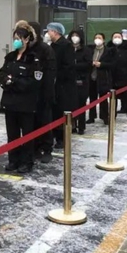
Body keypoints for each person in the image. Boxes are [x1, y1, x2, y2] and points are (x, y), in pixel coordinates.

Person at [0, 21, 42, 174]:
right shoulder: (10, 57)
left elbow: (33, 82)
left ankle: (26, 162)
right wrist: (6, 81)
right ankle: (13, 160)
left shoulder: (33, 59)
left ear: (27, 39)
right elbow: (2, 73)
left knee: (27, 134)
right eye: (15, 38)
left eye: (19, 38)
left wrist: (14, 81)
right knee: (12, 134)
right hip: (10, 102)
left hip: (25, 104)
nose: (16, 41)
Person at [28, 21, 56, 164]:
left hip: (44, 92)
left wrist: (47, 93)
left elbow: (50, 73)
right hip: (29, 93)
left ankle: (47, 148)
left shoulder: (45, 49)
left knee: (44, 121)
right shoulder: (25, 48)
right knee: (31, 123)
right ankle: (34, 148)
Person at [47, 22, 77, 151]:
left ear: (55, 32)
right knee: (54, 111)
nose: (47, 34)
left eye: (49, 31)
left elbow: (68, 66)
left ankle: (61, 138)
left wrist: (56, 75)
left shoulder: (66, 45)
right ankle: (55, 135)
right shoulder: (53, 45)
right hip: (54, 84)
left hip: (63, 85)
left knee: (61, 111)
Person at [103, 31, 127, 122]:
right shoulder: (109, 49)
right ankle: (112, 116)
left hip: (125, 77)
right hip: (113, 77)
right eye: (115, 37)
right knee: (113, 98)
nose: (117, 38)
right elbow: (105, 61)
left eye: (119, 37)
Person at [67, 29, 92, 135]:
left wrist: (74, 65)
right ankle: (72, 125)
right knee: (71, 105)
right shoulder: (68, 49)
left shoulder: (86, 50)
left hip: (82, 80)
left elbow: (88, 64)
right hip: (69, 80)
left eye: (76, 35)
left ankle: (81, 126)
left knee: (81, 104)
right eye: (73, 35)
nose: (74, 37)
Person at [87, 33, 111, 125]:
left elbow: (111, 64)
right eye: (96, 37)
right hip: (91, 77)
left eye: (99, 38)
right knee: (92, 98)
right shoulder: (90, 50)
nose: (97, 39)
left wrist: (101, 64)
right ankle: (92, 116)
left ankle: (105, 117)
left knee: (103, 98)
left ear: (103, 40)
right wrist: (91, 63)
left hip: (102, 77)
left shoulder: (108, 51)